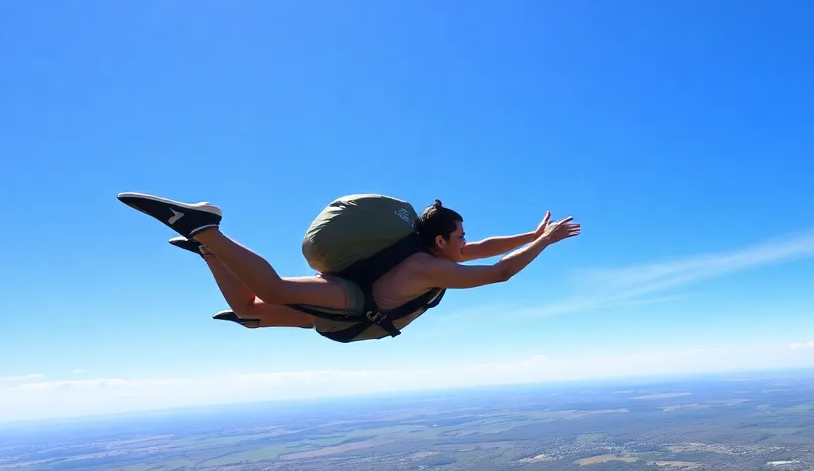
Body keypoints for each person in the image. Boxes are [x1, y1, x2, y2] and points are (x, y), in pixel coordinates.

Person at [117, 192, 580, 340]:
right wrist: (547, 243)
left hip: (352, 307)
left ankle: (211, 252)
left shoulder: (427, 252)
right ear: (440, 241)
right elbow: (499, 270)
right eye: (459, 236)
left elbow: (486, 247)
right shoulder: (428, 267)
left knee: (250, 312)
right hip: (356, 305)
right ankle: (208, 230)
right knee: (272, 292)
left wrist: (533, 235)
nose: (466, 243)